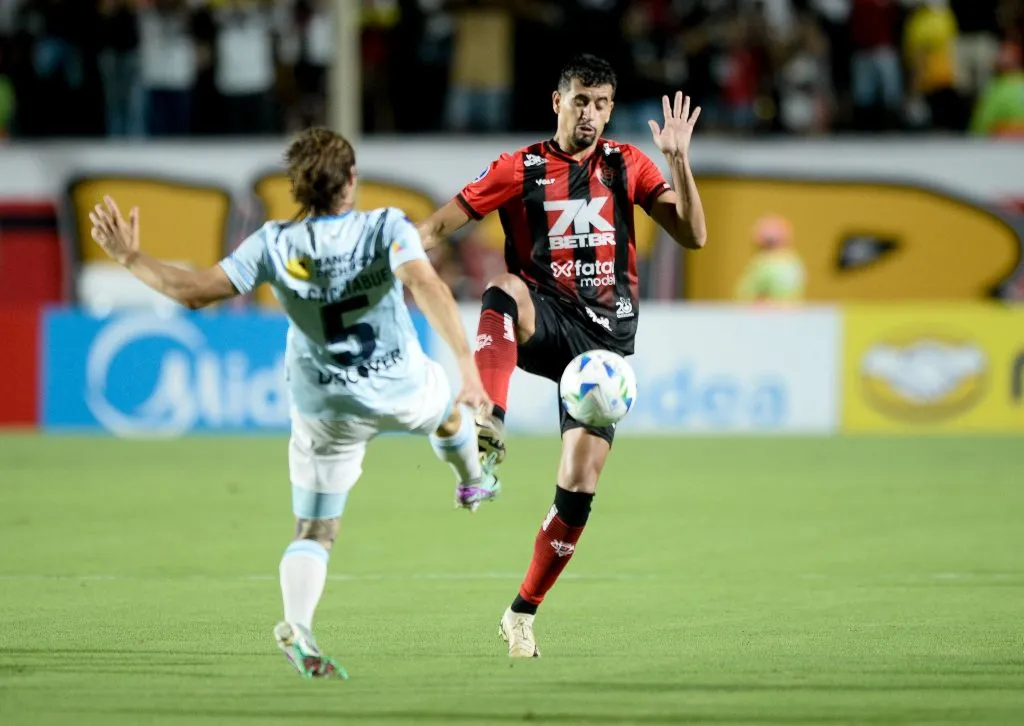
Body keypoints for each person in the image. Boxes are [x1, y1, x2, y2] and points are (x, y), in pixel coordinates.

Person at [88, 127, 498, 678]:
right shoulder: (385, 228)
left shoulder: (272, 244)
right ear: (351, 180)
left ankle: (298, 626)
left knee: (315, 530)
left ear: (296, 188)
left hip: (323, 404)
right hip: (397, 384)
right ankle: (472, 480)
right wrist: (468, 367)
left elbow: (194, 292)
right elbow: (429, 287)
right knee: (448, 411)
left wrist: (131, 257)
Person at [417, 53, 707, 658]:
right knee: (505, 289)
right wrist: (390, 249)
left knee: (578, 485)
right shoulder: (518, 168)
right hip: (545, 319)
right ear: (558, 102)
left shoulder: (627, 165)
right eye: (581, 101)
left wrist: (680, 162)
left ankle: (521, 612)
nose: (591, 115)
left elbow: (694, 235)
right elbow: (443, 223)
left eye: (602, 104)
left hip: (606, 348)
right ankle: (488, 415)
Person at [735, 214, 806, 305]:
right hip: (789, 316)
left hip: (764, 316)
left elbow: (755, 296)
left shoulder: (764, 263)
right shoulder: (794, 262)